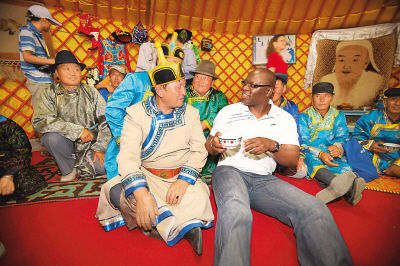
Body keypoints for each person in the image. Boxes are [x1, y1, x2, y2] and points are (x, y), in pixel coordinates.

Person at [208, 69, 352, 266]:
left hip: (264, 180)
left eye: (253, 85)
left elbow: (292, 159)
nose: (245, 88)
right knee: (236, 210)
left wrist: (272, 146)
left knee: (314, 208)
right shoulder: (229, 111)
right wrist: (214, 145)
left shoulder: (284, 118)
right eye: (245, 83)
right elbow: (209, 144)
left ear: (269, 92)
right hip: (230, 171)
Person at [96, 43, 214, 256]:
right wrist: (141, 194)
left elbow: (199, 152)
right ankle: (168, 224)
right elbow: (129, 157)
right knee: (115, 190)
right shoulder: (135, 114)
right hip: (147, 177)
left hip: (179, 179)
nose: (183, 90)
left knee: (200, 197)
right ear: (160, 90)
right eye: (177, 86)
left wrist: (182, 181)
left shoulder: (191, 113)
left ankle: (155, 223)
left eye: (182, 84)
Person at [104, 39, 185, 180]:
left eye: (176, 63)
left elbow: (182, 117)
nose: (172, 67)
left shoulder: (180, 89)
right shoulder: (136, 80)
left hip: (162, 148)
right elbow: (113, 109)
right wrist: (125, 138)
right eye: (168, 61)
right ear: (159, 60)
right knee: (125, 190)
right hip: (130, 144)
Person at [32, 50, 111, 181]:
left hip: (91, 143)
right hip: (65, 143)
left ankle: (83, 159)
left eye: (76, 69)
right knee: (50, 139)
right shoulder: (49, 93)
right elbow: (40, 120)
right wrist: (77, 131)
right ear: (56, 73)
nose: (73, 73)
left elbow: (105, 119)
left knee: (102, 168)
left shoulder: (91, 92)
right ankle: (68, 168)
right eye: (66, 69)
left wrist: (100, 148)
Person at [299, 82, 365, 205]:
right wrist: (320, 154)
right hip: (313, 151)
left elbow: (343, 136)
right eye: (318, 96)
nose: (322, 100)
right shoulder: (304, 116)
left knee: (344, 165)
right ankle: (347, 190)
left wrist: (338, 147)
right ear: (312, 97)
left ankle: (335, 187)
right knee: (311, 161)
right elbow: (303, 141)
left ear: (332, 98)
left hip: (332, 152)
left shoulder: (338, 115)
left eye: (326, 96)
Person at [185, 59, 229, 183]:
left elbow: (226, 116)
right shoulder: (183, 93)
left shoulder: (219, 96)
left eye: (205, 78)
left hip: (209, 141)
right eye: (198, 77)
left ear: (212, 82)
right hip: (185, 138)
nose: (200, 81)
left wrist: (205, 124)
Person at [19, 5, 62, 110]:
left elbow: (39, 59)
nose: (50, 25)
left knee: (50, 113)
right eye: (50, 22)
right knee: (43, 115)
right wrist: (51, 61)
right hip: (37, 80)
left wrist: (53, 72)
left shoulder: (38, 34)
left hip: (43, 79)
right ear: (43, 19)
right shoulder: (27, 31)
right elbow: (27, 57)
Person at [320, 40, 384, 109]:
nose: (346, 66)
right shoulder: (326, 80)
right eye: (341, 60)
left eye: (355, 60)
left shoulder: (376, 81)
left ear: (366, 62)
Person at [353, 87, 400, 177]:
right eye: (393, 99)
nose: (397, 103)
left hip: (397, 157)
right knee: (352, 151)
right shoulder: (370, 117)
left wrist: (398, 164)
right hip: (373, 155)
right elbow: (356, 139)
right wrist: (370, 145)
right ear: (385, 102)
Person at [0, 115, 47, 200]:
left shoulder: (9, 127)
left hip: (11, 167)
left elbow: (23, 151)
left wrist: (8, 175)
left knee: (26, 182)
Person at [271, 73, 306, 178]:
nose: (272, 91)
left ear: (284, 88)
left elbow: (296, 134)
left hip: (284, 151)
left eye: (276, 87)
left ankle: (280, 168)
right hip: (264, 150)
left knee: (302, 171)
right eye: (269, 86)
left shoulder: (291, 107)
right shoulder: (259, 105)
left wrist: (299, 156)